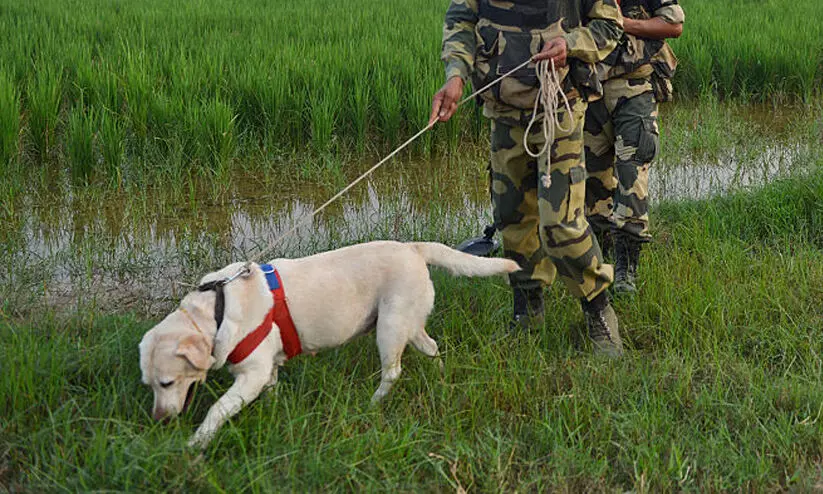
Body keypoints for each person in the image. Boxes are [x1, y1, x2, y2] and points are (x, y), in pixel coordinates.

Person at [430, 0, 625, 357]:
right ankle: (527, 310)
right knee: (512, 218)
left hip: (559, 105)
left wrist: (571, 44)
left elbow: (610, 26)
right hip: (504, 110)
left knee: (561, 225)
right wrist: (455, 75)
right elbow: (461, 18)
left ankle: (598, 308)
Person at [584, 0, 684, 293]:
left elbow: (673, 25)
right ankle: (602, 261)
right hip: (590, 90)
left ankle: (627, 269)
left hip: (634, 90)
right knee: (593, 181)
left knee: (631, 173)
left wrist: (622, 24)